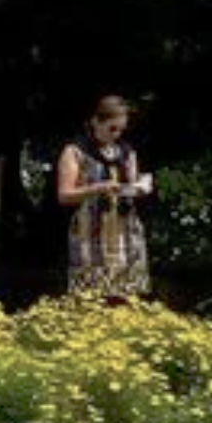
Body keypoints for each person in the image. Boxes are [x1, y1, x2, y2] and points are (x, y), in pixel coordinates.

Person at [54, 95, 151, 298]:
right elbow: (64, 195)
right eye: (112, 128)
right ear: (96, 122)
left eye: (121, 130)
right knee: (91, 296)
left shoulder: (126, 151)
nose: (116, 134)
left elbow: (131, 185)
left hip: (124, 230)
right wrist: (97, 188)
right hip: (91, 231)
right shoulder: (75, 151)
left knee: (126, 295)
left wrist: (140, 187)